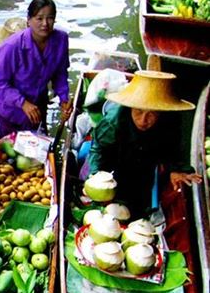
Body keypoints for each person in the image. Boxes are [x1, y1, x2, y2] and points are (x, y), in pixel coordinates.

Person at [85, 70, 198, 214]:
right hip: (116, 159)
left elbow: (171, 148)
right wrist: (96, 177)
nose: (144, 120)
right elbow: (99, 150)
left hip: (145, 163)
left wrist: (175, 169)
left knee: (138, 201)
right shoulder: (113, 123)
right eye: (138, 112)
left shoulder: (170, 122)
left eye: (152, 114)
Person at [0, 0, 72, 137]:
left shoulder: (61, 39)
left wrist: (64, 98)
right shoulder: (11, 46)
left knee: (34, 152)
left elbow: (60, 73)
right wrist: (23, 103)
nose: (45, 24)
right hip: (3, 111)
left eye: (50, 18)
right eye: (39, 18)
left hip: (33, 110)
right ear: (29, 20)